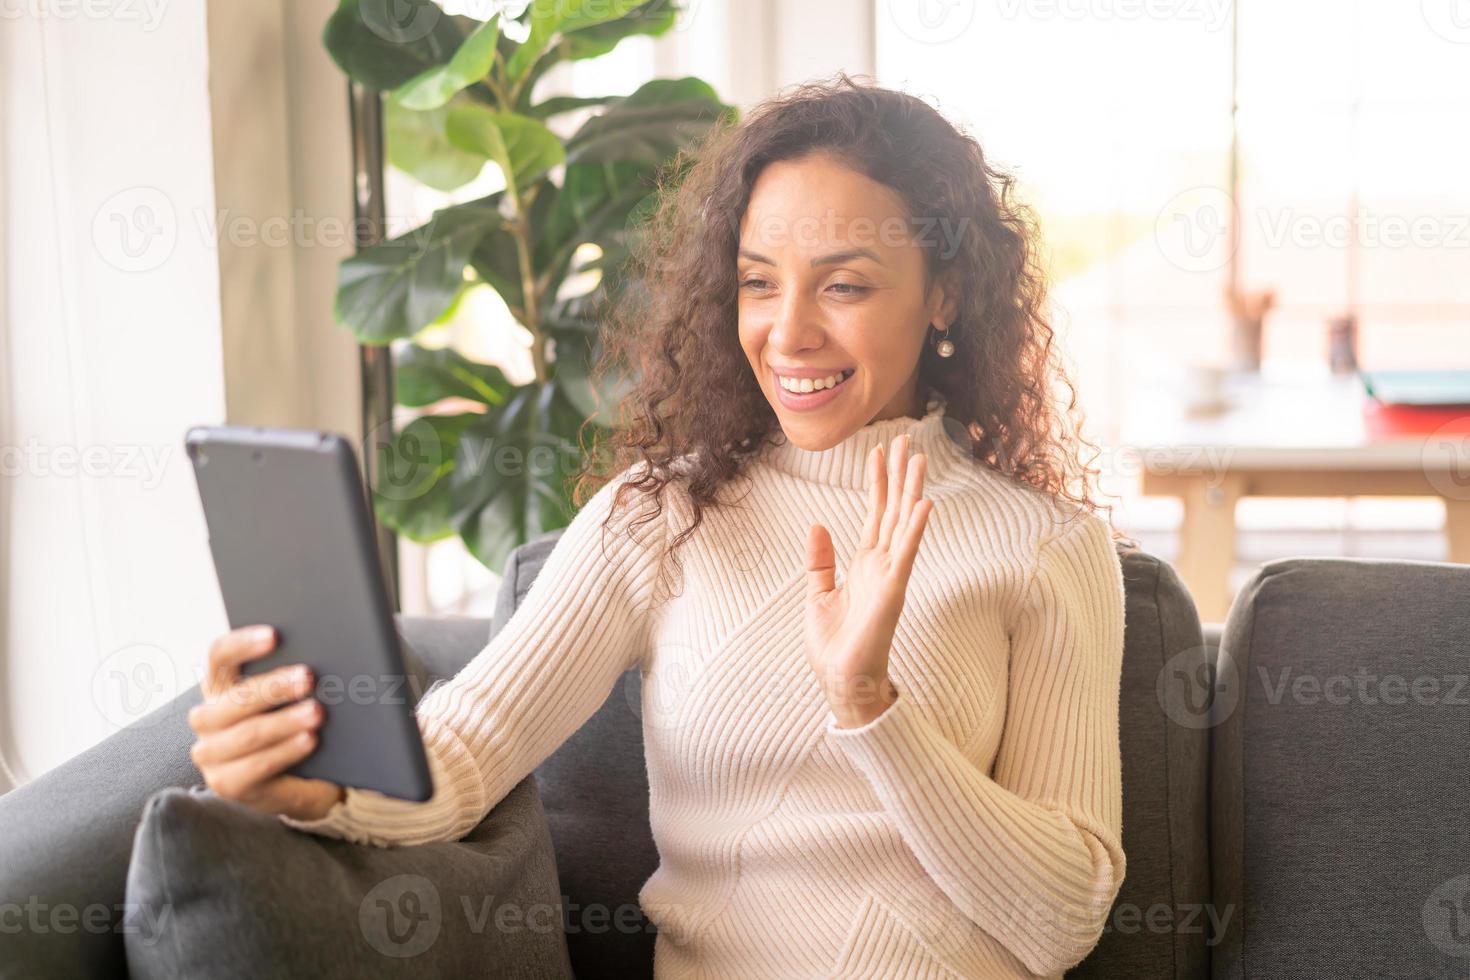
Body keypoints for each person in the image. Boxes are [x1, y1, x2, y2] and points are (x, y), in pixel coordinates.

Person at [187, 73, 1132, 979]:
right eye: (760, 283)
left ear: (946, 295)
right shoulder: (664, 515)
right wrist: (323, 787)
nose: (788, 331)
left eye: (844, 286)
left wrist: (870, 706)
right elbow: (471, 745)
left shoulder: (1047, 549)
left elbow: (1064, 922)